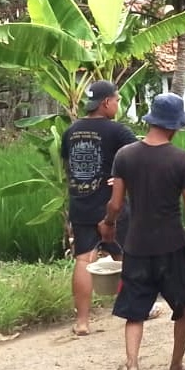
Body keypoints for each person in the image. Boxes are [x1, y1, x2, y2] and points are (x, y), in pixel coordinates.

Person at [99, 93, 185, 370]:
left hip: (137, 246)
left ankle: (132, 364)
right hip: (173, 247)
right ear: (176, 126)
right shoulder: (182, 160)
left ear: (151, 120)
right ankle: (176, 366)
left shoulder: (125, 156)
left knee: (134, 311)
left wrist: (109, 226)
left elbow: (115, 204)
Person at [60, 80, 137, 337]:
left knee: (84, 258)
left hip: (80, 203)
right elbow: (138, 158)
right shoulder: (117, 131)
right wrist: (122, 179)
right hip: (110, 205)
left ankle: (82, 322)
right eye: (116, 100)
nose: (117, 104)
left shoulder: (71, 131)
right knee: (126, 256)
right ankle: (138, 309)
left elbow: (67, 165)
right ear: (106, 102)